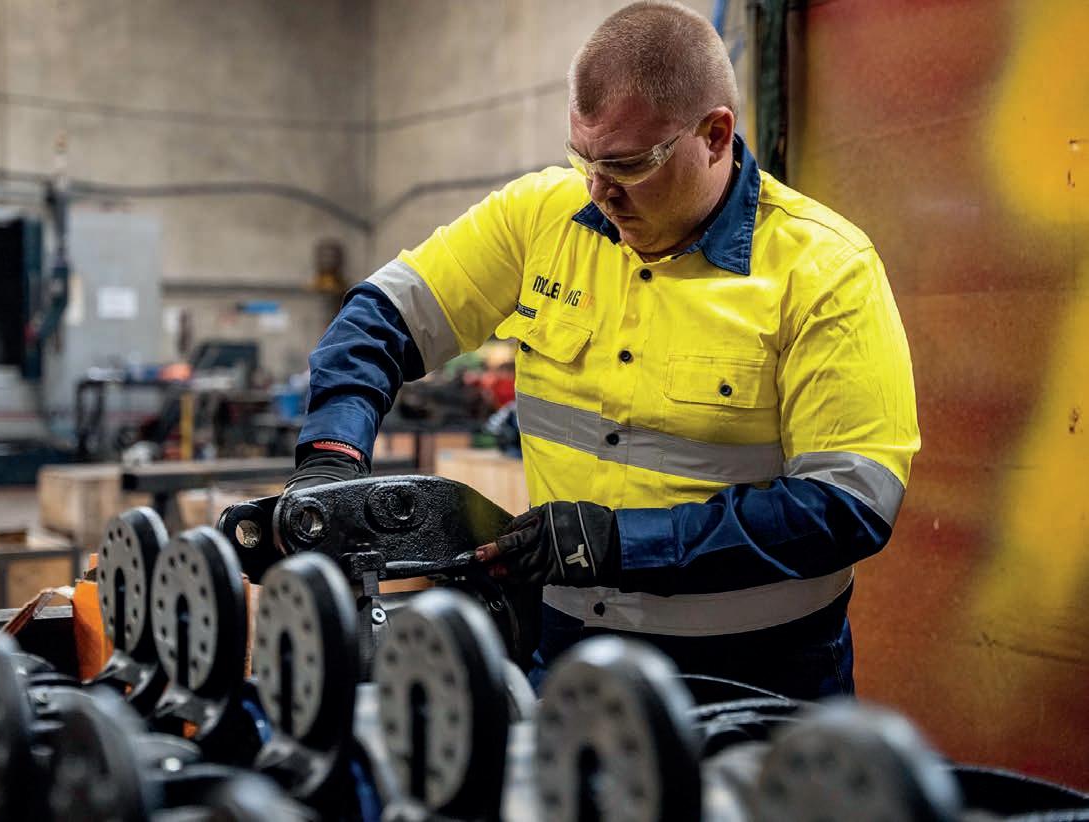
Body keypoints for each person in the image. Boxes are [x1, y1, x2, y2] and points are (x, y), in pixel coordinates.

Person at [285, 0, 919, 700]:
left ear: (715, 135)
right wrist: (329, 461)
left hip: (757, 675)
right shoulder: (540, 220)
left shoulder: (826, 272)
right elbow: (381, 317)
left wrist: (619, 544)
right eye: (582, 157)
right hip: (570, 655)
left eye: (627, 164)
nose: (598, 190)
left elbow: (847, 505)